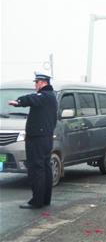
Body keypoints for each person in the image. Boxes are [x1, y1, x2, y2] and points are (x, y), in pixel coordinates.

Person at [8, 72, 57, 209]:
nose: (35, 85)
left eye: (36, 82)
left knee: (37, 168)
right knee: (45, 167)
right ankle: (44, 199)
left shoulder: (45, 95)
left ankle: (37, 201)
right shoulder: (50, 97)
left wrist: (18, 102)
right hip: (45, 138)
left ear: (43, 83)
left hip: (38, 139)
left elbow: (32, 99)